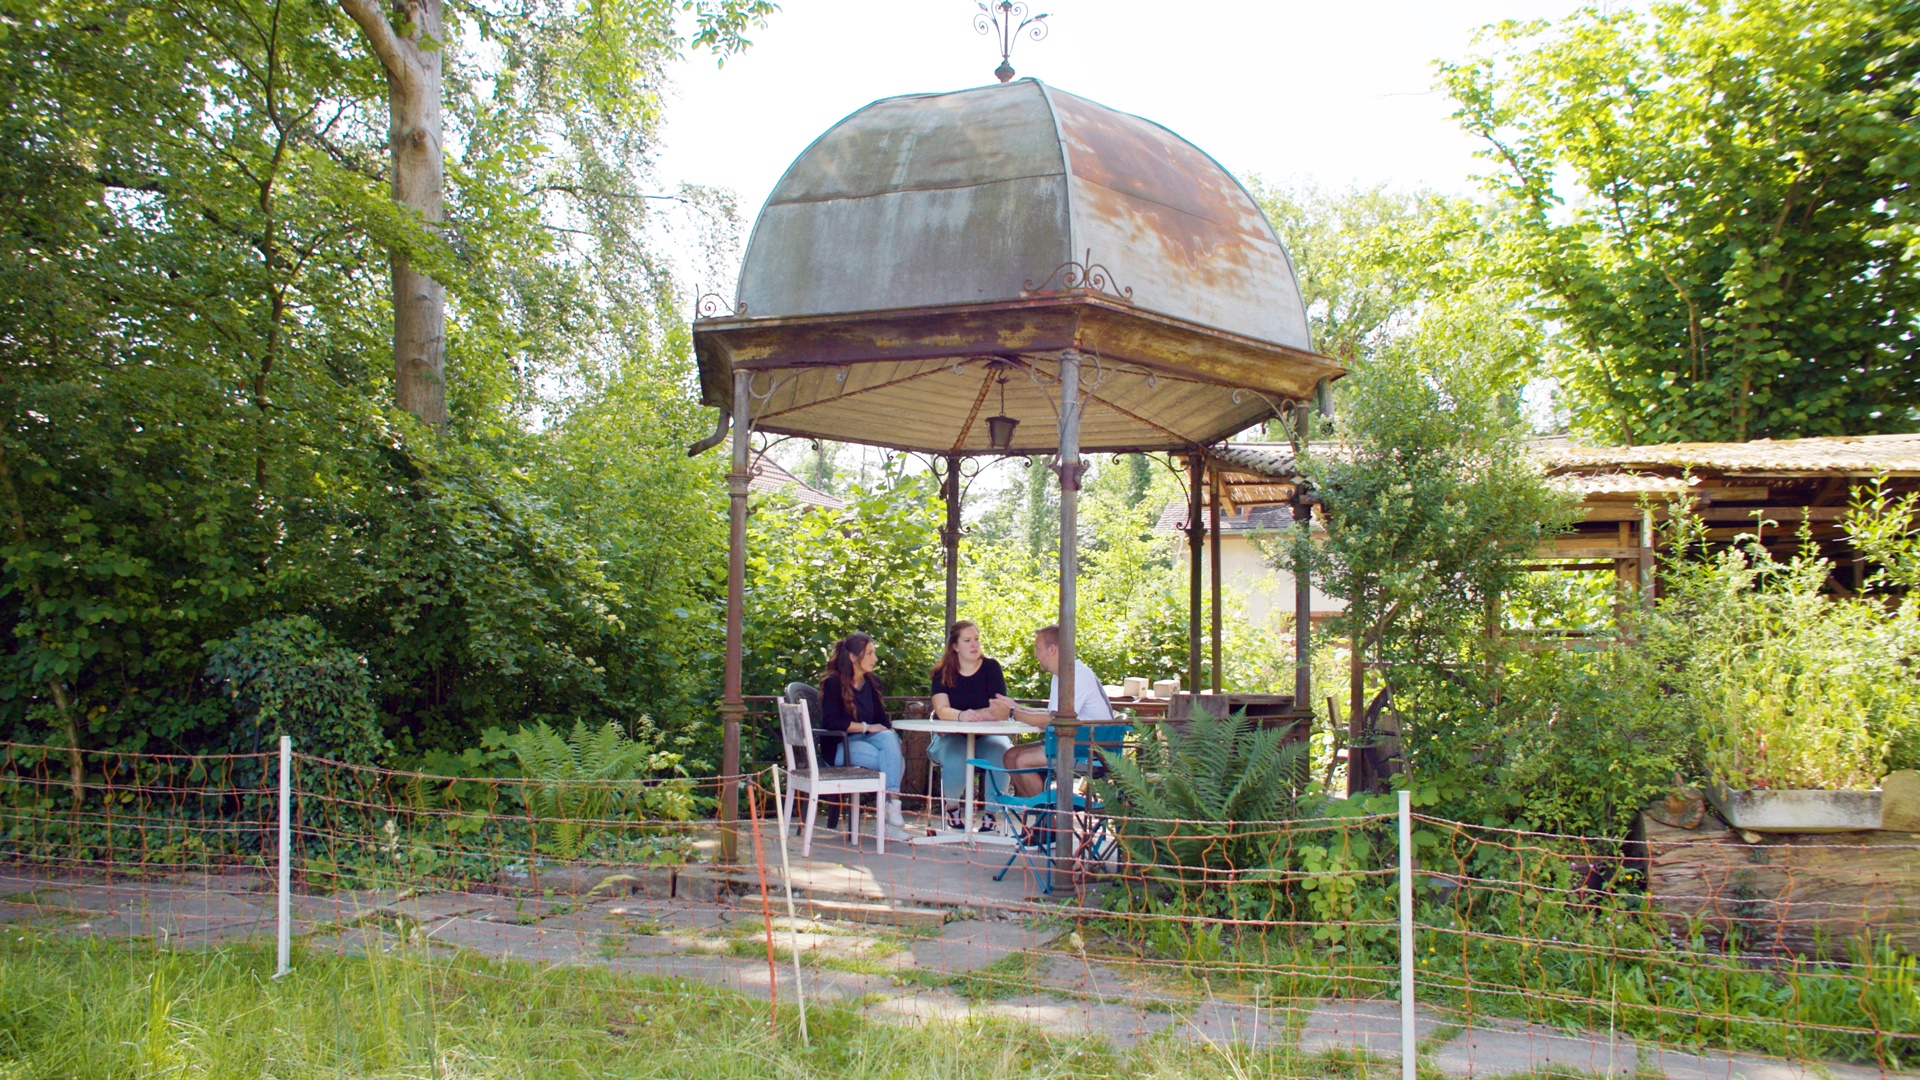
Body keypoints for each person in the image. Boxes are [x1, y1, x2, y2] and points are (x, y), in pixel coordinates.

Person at [992, 624, 1115, 798]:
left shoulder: (1075, 674)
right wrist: (1015, 706)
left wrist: (1011, 712)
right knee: (1010, 756)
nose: (1035, 654)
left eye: (1037, 648)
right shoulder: (1060, 675)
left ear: (1052, 649)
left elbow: (1052, 719)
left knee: (1022, 761)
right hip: (1074, 742)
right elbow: (1052, 714)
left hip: (1090, 750)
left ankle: (1051, 821)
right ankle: (1041, 816)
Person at [818, 632, 911, 842]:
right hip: (841, 747)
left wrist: (886, 734)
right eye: (869, 653)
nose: (875, 659)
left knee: (888, 738)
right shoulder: (833, 683)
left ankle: (892, 805)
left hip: (866, 741)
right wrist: (866, 727)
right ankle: (891, 816)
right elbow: (831, 723)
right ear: (853, 657)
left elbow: (882, 721)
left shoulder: (871, 682)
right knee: (895, 761)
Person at [927, 620, 1013, 832]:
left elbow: (1001, 709)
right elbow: (941, 709)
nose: (974, 645)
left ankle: (991, 813)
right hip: (951, 735)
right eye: (967, 641)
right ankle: (953, 808)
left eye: (976, 639)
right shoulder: (942, 672)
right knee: (956, 756)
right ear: (955, 646)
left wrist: (975, 716)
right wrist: (962, 715)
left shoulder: (991, 668)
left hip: (987, 735)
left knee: (1002, 753)